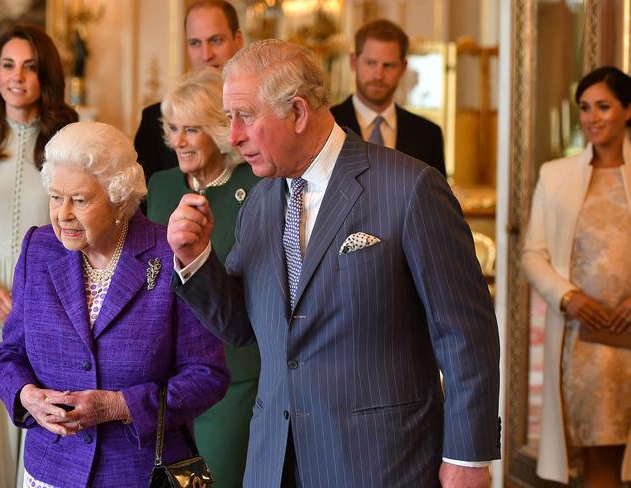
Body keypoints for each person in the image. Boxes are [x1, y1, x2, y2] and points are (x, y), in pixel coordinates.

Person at [168, 39, 500, 487]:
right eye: (230, 119)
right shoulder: (261, 202)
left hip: (379, 462)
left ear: (298, 112)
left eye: (245, 116)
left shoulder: (410, 188)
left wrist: (468, 455)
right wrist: (195, 259)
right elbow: (244, 329)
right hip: (272, 463)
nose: (233, 136)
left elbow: (465, 333)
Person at [0, 121, 230, 487]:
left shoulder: (168, 254)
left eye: (80, 200)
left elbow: (209, 376)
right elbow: (9, 354)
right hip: (51, 471)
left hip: (142, 473)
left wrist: (121, 406)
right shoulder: (38, 249)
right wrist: (26, 396)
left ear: (119, 197)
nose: (63, 214)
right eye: (56, 197)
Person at [147, 66, 261, 488]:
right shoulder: (159, 187)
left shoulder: (257, 188)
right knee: (178, 483)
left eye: (191, 129)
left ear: (218, 129)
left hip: (234, 379)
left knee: (219, 480)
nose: (178, 141)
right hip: (168, 382)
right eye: (173, 128)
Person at [523, 66, 631, 487]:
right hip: (584, 342)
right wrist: (570, 298)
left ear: (626, 110)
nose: (592, 117)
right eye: (585, 108)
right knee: (598, 458)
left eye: (603, 106)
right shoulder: (557, 174)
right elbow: (534, 254)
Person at [0, 23, 77, 488]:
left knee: (38, 418)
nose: (16, 76)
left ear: (45, 75)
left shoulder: (67, 140)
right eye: (7, 64)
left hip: (47, 302)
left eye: (30, 66)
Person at [134, 0, 243, 182]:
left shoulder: (258, 115)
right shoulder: (154, 120)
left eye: (216, 40)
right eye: (195, 43)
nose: (206, 54)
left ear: (238, 39)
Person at [330, 19, 446, 177]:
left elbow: (435, 199)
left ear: (403, 68)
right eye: (370, 63)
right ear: (353, 62)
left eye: (389, 65)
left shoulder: (428, 135)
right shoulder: (328, 125)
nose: (378, 75)